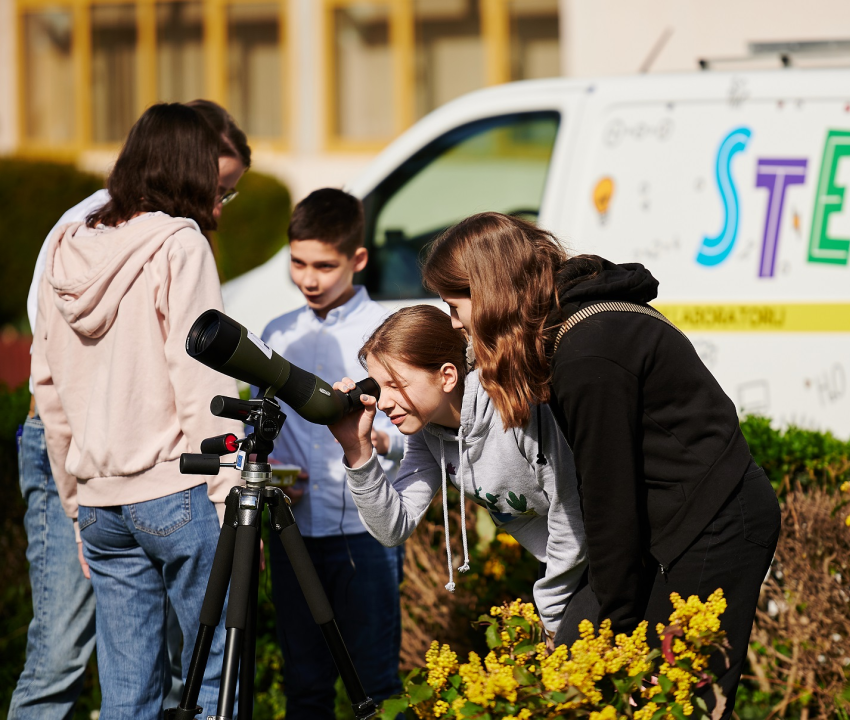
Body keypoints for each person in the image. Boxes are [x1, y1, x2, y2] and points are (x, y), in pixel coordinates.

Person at [420, 212, 781, 718]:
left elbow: (608, 504)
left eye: (454, 304)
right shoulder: (567, 328)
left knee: (674, 701)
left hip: (717, 524)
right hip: (668, 528)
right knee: (587, 669)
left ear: (491, 292)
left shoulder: (585, 354)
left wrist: (612, 633)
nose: (453, 321)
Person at [11, 99, 249, 720]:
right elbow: (202, 381)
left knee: (126, 697)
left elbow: (48, 388)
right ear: (191, 168)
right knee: (211, 680)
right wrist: (226, 494)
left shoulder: (66, 244)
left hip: (99, 505)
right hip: (177, 491)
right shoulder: (181, 245)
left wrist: (74, 502)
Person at [327, 304, 588, 641]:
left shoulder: (517, 408)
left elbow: (573, 516)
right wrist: (357, 449)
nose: (384, 403)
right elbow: (392, 528)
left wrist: (551, 617)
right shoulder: (428, 433)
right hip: (562, 566)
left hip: (607, 552)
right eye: (378, 389)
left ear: (447, 376)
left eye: (396, 385)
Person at [259, 188, 406, 718]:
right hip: (292, 533)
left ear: (358, 259)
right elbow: (262, 433)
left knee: (377, 683)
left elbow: (415, 436)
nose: (309, 278)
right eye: (297, 263)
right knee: (305, 686)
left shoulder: (387, 333)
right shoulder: (278, 335)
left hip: (364, 536)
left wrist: (375, 442)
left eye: (325, 265)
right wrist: (273, 473)